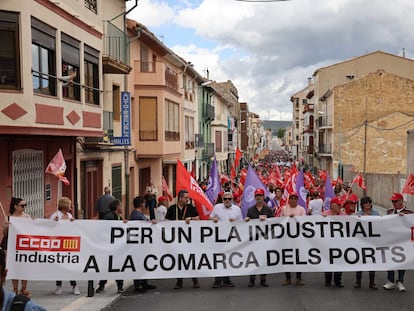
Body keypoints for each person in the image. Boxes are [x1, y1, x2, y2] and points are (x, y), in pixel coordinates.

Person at [165, 190, 200, 289]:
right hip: (176, 239)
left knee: (190, 259)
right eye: (185, 198)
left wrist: (191, 219)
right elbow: (166, 221)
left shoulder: (190, 208)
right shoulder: (172, 209)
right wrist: (173, 223)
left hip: (189, 238)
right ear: (180, 198)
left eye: (188, 198)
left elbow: (198, 218)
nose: (187, 199)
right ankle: (179, 281)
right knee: (178, 260)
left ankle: (195, 280)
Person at [210, 192, 243, 288]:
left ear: (232, 200)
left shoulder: (237, 209)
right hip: (218, 238)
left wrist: (236, 221)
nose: (227, 200)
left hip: (231, 238)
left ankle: (227, 280)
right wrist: (213, 219)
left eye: (229, 199)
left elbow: (241, 222)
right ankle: (217, 280)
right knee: (218, 258)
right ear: (222, 200)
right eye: (225, 199)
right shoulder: (217, 207)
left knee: (228, 259)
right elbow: (210, 218)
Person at [383, 192, 413, 292]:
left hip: (403, 242)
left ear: (401, 201)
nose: (394, 203)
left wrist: (405, 218)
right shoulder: (389, 211)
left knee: (402, 261)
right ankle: (390, 281)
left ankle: (400, 281)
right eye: (392, 201)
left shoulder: (409, 212)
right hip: (391, 241)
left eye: (395, 201)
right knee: (390, 261)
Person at [50, 197, 80, 295]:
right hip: (58, 244)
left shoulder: (69, 215)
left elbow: (73, 229)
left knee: (70, 265)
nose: (70, 207)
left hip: (68, 243)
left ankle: (74, 285)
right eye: (69, 205)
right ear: (65, 206)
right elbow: (49, 227)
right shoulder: (55, 215)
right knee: (59, 265)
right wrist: (54, 221)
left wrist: (73, 222)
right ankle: (58, 286)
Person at [245, 188, 274, 287]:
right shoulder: (250, 210)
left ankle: (263, 279)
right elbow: (246, 225)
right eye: (257, 196)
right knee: (253, 259)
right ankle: (252, 279)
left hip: (265, 239)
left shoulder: (268, 210)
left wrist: (267, 220)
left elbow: (274, 224)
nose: (258, 197)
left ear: (263, 197)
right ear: (254, 197)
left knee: (263, 259)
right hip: (253, 240)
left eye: (260, 196)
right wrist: (247, 220)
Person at [96, 200, 125, 294]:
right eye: (120, 206)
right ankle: (101, 285)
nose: (122, 207)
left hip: (117, 247)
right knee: (107, 266)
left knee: (118, 266)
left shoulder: (118, 217)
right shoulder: (109, 216)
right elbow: (104, 229)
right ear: (117, 206)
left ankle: (119, 286)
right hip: (109, 246)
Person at [129, 196, 157, 293]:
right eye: (144, 203)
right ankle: (138, 285)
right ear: (141, 204)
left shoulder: (139, 214)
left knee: (143, 263)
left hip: (143, 244)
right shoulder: (136, 215)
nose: (145, 205)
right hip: (137, 245)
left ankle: (144, 282)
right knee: (138, 263)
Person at [279, 192, 306, 286]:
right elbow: (280, 221)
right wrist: (287, 218)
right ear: (289, 199)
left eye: (295, 198)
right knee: (287, 257)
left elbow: (304, 222)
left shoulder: (301, 209)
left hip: (298, 238)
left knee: (298, 258)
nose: (293, 200)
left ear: (297, 200)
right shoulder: (284, 209)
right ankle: (288, 278)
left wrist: (295, 218)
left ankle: (299, 277)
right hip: (286, 237)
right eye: (291, 198)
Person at [7, 197, 32, 297]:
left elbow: (33, 229)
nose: (24, 207)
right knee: (14, 267)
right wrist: (6, 226)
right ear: (16, 206)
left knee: (24, 267)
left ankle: (24, 288)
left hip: (24, 245)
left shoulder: (27, 217)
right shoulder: (10, 218)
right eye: (22, 205)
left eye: (25, 205)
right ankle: (15, 289)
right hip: (13, 246)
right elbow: (5, 234)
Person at [354, 196, 379, 290]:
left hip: (372, 242)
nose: (368, 204)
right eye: (365, 203)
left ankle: (372, 282)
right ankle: (358, 281)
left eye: (369, 202)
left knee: (372, 261)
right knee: (360, 261)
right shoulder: (359, 214)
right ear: (362, 205)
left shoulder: (376, 214)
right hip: (361, 241)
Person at [322, 197, 345, 287]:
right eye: (337, 205)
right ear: (332, 206)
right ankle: (327, 281)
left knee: (339, 262)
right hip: (328, 243)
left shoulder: (343, 215)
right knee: (328, 261)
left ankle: (337, 281)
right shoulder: (325, 214)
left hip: (339, 243)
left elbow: (351, 223)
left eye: (339, 205)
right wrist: (322, 218)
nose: (339, 206)